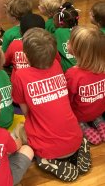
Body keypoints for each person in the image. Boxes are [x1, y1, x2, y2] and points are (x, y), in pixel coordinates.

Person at [12, 28, 91, 182]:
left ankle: (48, 161)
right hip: (75, 136)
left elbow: (27, 113)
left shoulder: (21, 76)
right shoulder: (56, 65)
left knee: (18, 130)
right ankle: (81, 146)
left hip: (48, 149)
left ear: (26, 56)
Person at [65, 25, 105, 145]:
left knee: (76, 116)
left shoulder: (72, 74)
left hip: (80, 115)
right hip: (99, 110)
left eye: (70, 41)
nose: (67, 42)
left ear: (77, 50)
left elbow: (67, 100)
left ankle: (83, 125)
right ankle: (99, 121)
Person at [4, 13, 46, 81]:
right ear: (44, 31)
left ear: (20, 32)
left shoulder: (15, 44)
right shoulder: (49, 44)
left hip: (20, 81)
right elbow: (57, 61)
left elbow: (5, 62)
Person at [53, 2, 79, 72]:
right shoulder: (79, 29)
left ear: (60, 22)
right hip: (82, 67)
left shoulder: (58, 32)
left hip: (67, 71)